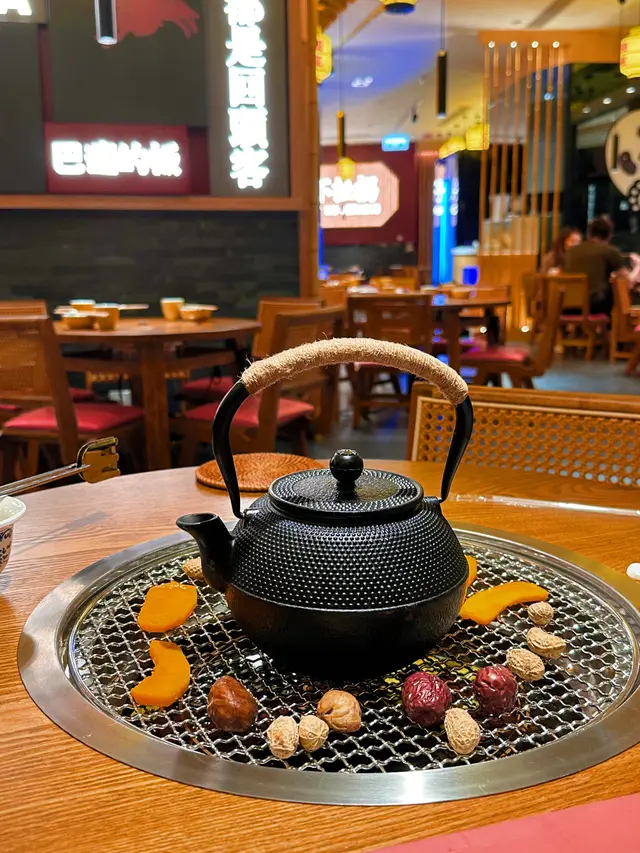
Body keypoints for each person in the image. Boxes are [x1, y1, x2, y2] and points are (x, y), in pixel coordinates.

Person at [563, 217, 626, 315]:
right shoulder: (610, 251)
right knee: (613, 290)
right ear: (609, 235)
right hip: (594, 307)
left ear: (588, 234)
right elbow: (626, 281)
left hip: (567, 306)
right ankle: (614, 324)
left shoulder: (570, 252)